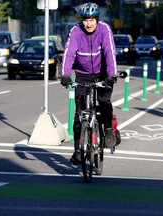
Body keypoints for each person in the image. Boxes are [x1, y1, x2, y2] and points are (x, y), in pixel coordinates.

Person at [60, 2, 117, 164]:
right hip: (82, 75)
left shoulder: (104, 29)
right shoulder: (76, 31)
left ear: (97, 19)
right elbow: (69, 53)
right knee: (79, 114)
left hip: (103, 73)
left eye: (92, 19)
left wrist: (111, 74)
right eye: (85, 19)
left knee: (104, 101)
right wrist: (65, 75)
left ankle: (107, 129)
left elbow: (109, 51)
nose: (88, 23)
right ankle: (78, 150)